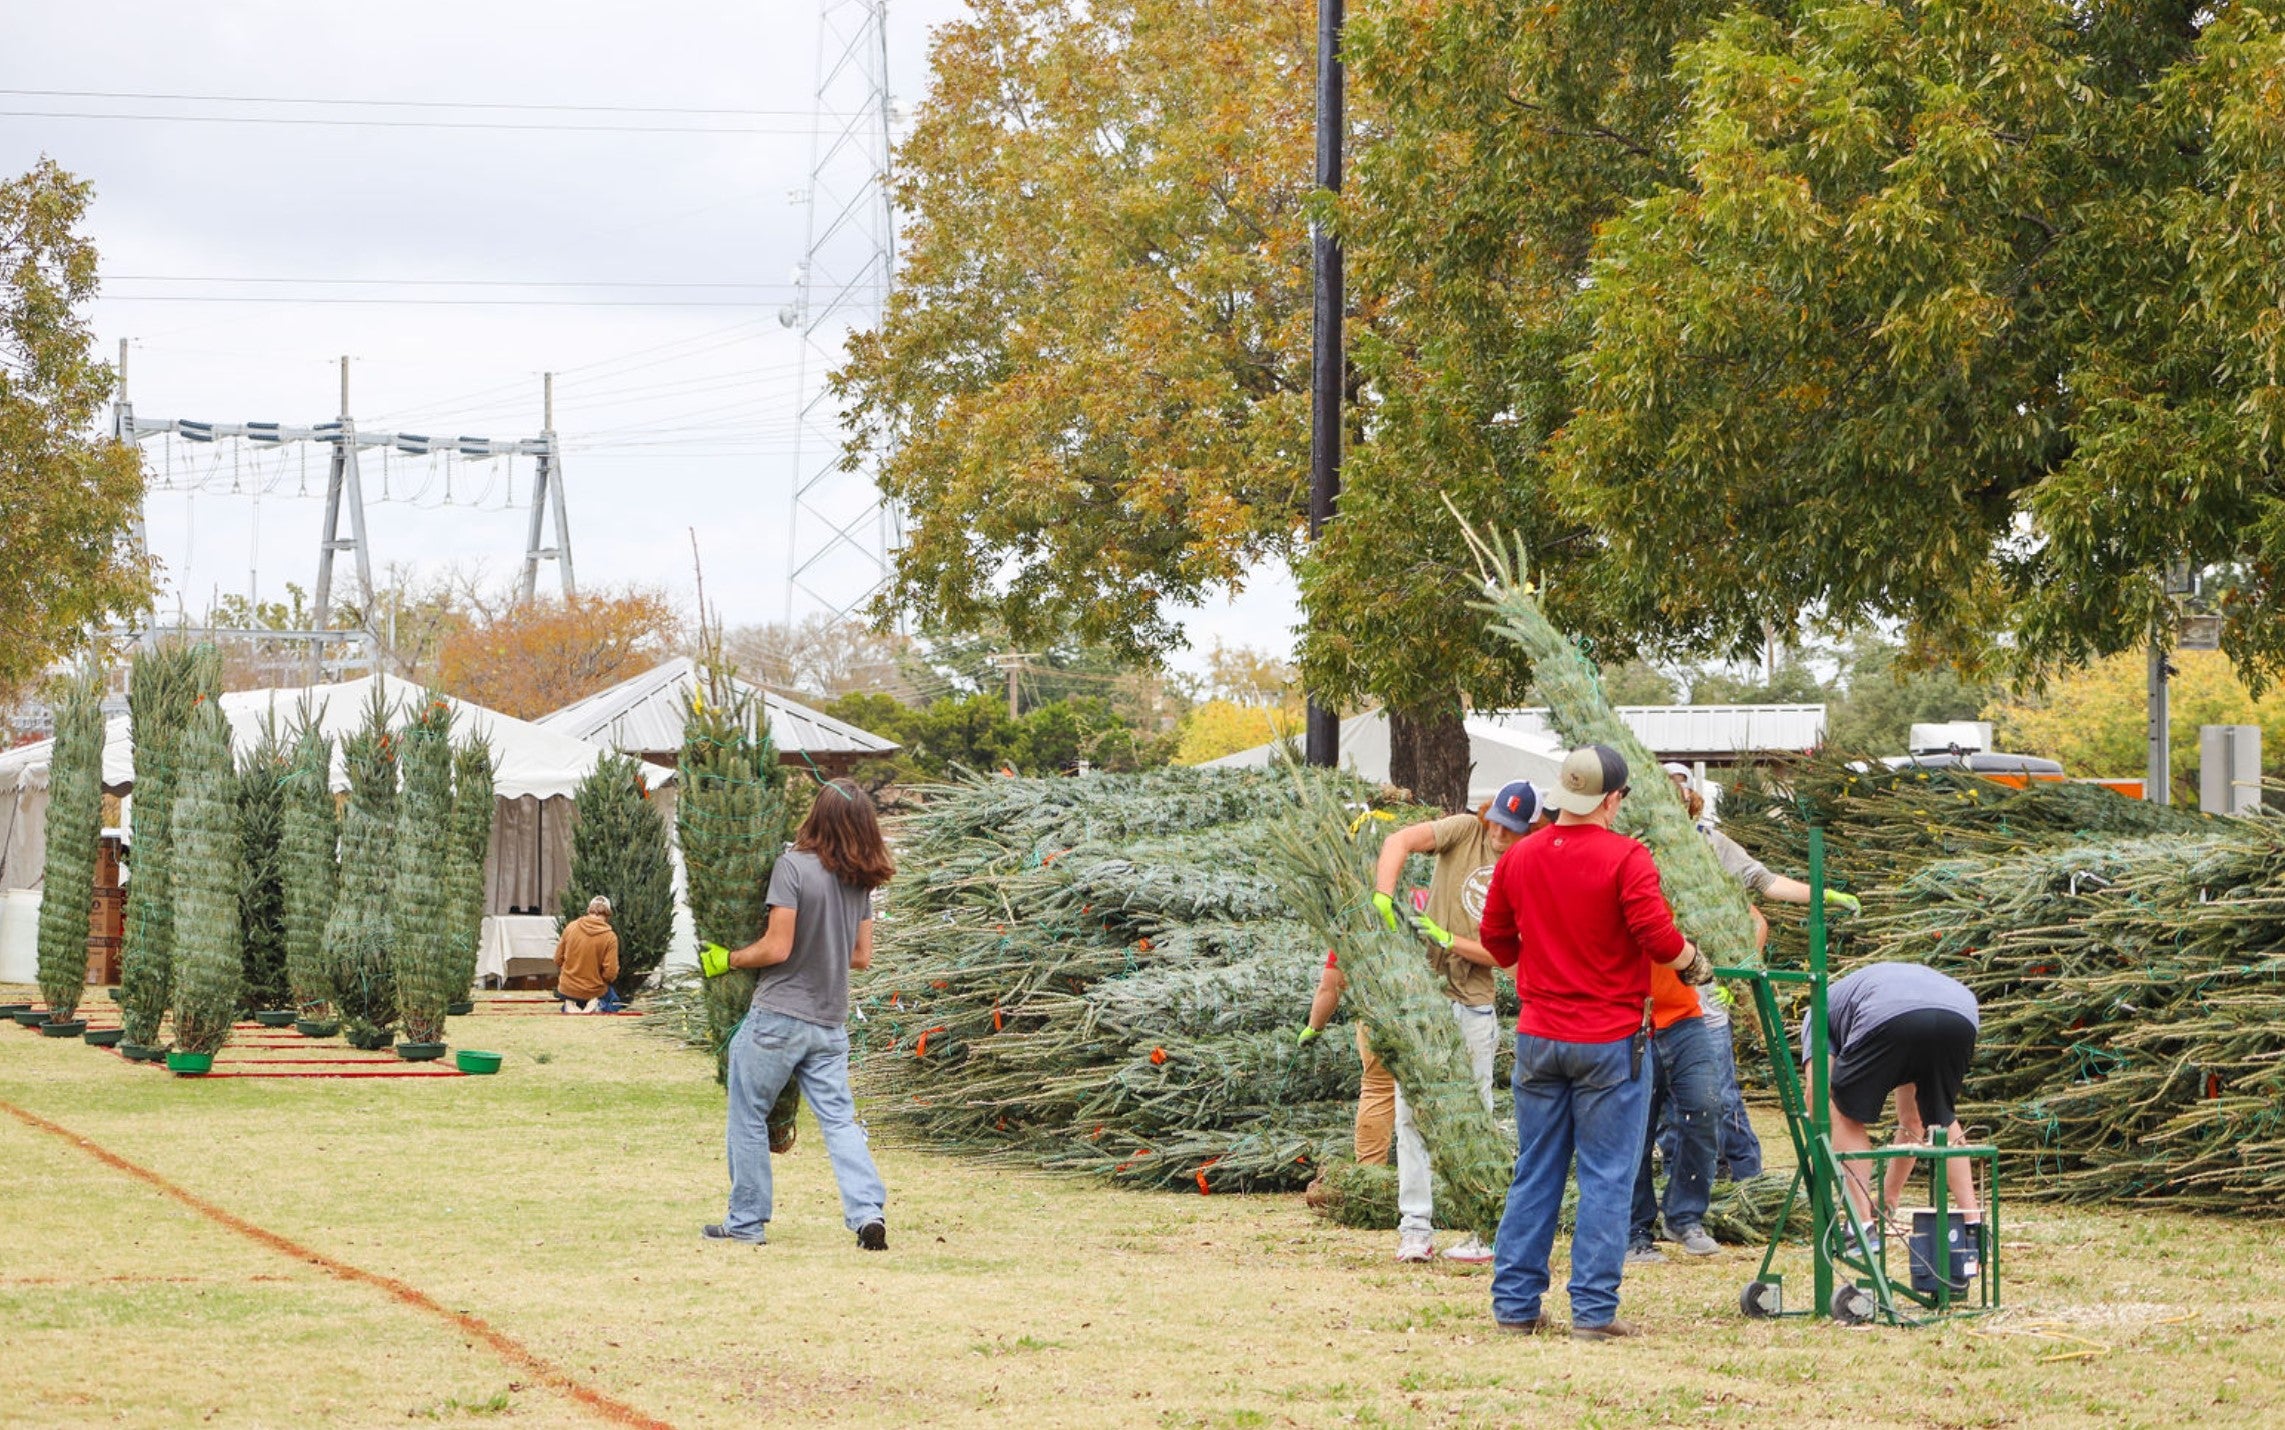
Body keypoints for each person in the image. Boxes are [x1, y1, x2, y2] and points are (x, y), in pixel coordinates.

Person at [1479, 745, 1710, 1341]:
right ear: (1613, 799)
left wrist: (1538, 966)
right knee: (1607, 1175)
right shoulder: (1627, 857)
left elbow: (1496, 939)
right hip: (1610, 1041)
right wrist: (1691, 961)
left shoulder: (1521, 855)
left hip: (1538, 1037)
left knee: (1535, 1171)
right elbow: (1655, 933)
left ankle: (1515, 1307)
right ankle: (1593, 1313)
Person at [703, 779, 895, 1250]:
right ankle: (867, 1213)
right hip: (829, 1023)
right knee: (839, 1121)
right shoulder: (860, 882)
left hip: (779, 1016)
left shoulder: (791, 867)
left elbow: (777, 946)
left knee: (748, 1114)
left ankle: (746, 1223)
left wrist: (728, 959)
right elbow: (862, 956)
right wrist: (825, 947)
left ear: (818, 816)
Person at [1369, 779, 1545, 1264]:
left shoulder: (1526, 868)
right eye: (1497, 824)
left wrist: (1449, 939)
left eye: (1512, 830)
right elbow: (1397, 840)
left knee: (1475, 1115)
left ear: (1528, 831)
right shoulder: (1465, 830)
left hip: (1475, 1004)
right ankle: (1415, 1229)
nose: (1499, 836)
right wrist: (1384, 894)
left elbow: (1510, 957)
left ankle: (1483, 1227)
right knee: (1411, 1112)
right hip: (1425, 1000)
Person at [1805, 962, 1980, 1231]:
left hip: (1888, 1012)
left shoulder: (1816, 1014)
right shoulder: (1853, 997)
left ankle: (1861, 1228)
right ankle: (1973, 1226)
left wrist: (1822, 1152)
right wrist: (1889, 1195)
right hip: (1960, 1013)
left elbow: (1817, 1094)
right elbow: (1912, 1122)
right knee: (1939, 1118)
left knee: (1840, 1109)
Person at [1298, 951, 1395, 1166]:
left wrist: (1314, 1026)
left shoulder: (1352, 923)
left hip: (1375, 1014)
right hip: (1430, 1012)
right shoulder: (1430, 916)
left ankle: (1371, 1173)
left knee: (1378, 1089)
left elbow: (1331, 984)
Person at [553, 895, 621, 1014]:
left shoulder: (571, 927)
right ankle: (597, 1005)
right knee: (615, 1003)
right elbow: (611, 973)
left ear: (589, 910)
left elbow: (557, 959)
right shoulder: (610, 937)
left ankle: (570, 1004)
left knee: (574, 994)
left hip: (568, 988)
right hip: (594, 989)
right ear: (608, 914)